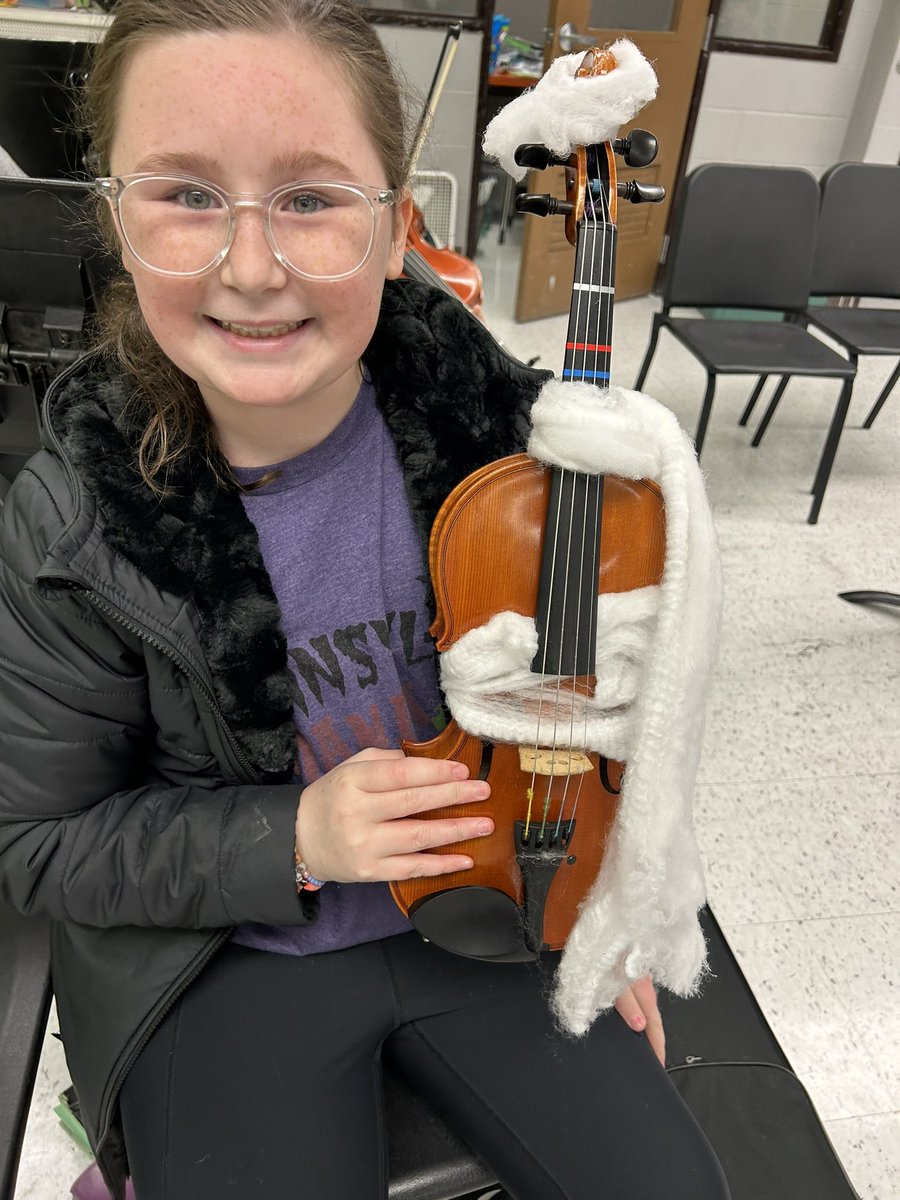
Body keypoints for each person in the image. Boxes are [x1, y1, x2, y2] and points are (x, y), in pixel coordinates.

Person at [0, 2, 730, 1197]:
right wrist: (296, 836)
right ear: (116, 220)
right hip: (228, 950)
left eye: (310, 197)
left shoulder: (500, 433)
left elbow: (583, 711)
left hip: (496, 900)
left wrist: (597, 893)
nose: (249, 267)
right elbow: (33, 845)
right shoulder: (72, 516)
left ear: (397, 228)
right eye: (185, 194)